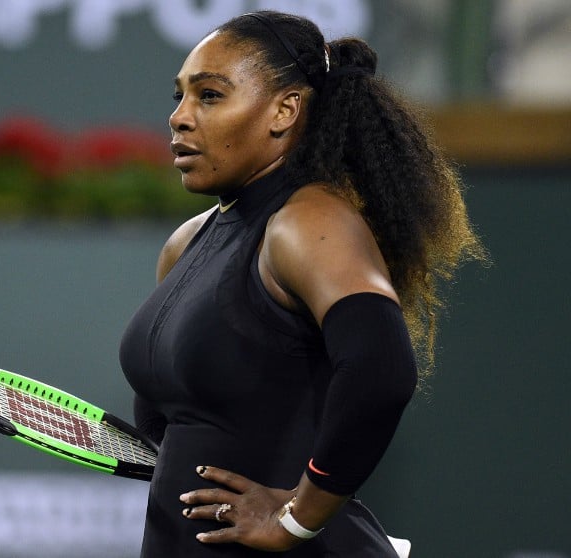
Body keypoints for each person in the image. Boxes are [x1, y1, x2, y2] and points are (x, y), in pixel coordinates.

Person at [118, 10, 485, 557]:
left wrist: (296, 520)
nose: (180, 117)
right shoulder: (186, 244)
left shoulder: (306, 221)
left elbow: (380, 369)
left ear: (285, 111)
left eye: (210, 96)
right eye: (179, 97)